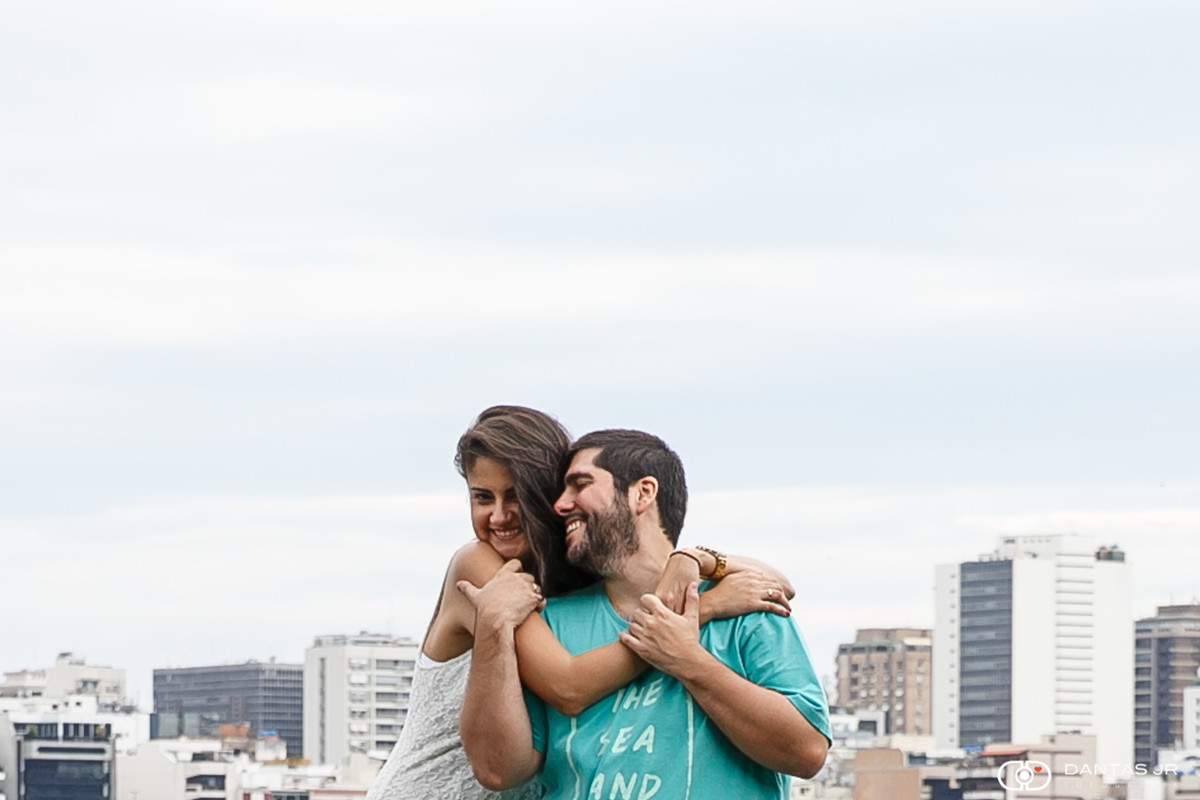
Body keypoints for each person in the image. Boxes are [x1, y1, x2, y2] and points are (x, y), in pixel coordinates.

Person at [367, 408, 796, 800]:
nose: (498, 515)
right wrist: (702, 610)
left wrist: (696, 558)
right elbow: (566, 686)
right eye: (482, 498)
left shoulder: (580, 576)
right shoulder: (482, 570)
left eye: (514, 495)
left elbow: (777, 584)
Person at [459, 429, 832, 800]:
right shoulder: (549, 621)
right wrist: (492, 626)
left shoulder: (745, 605)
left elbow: (806, 753)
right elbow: (499, 769)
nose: (559, 505)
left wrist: (689, 661)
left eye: (580, 485)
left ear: (643, 493)